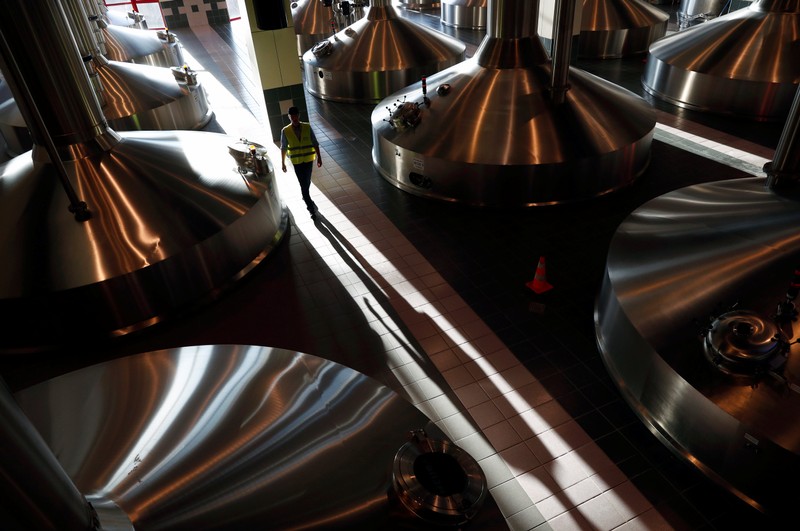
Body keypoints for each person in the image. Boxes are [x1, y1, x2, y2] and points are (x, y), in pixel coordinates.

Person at [280, 106, 322, 218]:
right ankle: (310, 208)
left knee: (306, 181)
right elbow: (283, 147)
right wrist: (283, 163)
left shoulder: (307, 127)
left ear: (299, 115)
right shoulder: (285, 131)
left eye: (295, 115)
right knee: (303, 183)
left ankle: (305, 196)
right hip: (297, 162)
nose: (294, 118)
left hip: (308, 160)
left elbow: (315, 143)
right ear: (289, 117)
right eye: (291, 116)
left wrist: (319, 157)